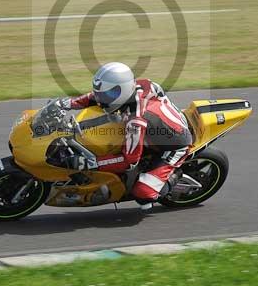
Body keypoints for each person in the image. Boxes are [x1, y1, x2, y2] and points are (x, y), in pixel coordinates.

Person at [57, 62, 192, 209]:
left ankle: (174, 175)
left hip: (174, 145)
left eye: (110, 94)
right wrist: (67, 104)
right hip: (162, 124)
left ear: (123, 89)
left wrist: (88, 163)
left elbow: (129, 161)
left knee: (143, 194)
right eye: (103, 93)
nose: (102, 98)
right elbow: (95, 97)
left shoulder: (136, 121)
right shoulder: (139, 85)